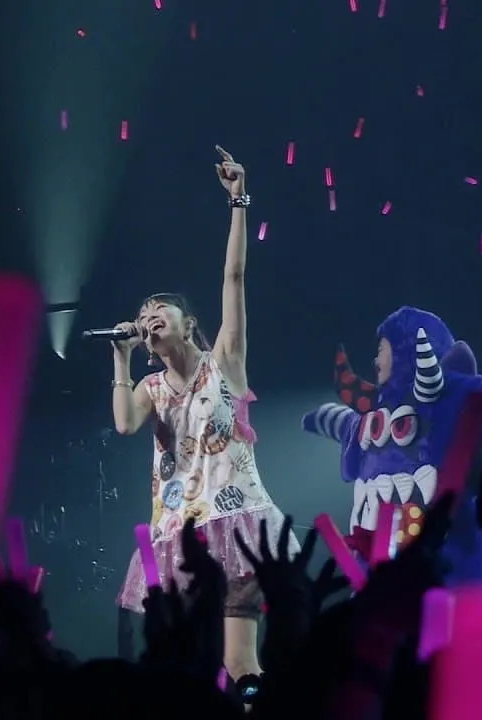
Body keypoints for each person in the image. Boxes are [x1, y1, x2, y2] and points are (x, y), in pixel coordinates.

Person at [108, 146, 295, 681]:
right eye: (142, 317)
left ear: (187, 323)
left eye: (157, 311)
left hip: (235, 523)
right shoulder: (148, 385)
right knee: (186, 666)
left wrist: (240, 201)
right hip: (177, 532)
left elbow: (234, 280)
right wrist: (120, 356)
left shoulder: (225, 363)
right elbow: (124, 423)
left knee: (238, 662)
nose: (147, 319)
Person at [300, 306, 482, 587]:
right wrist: (318, 418)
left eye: (382, 349)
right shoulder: (376, 414)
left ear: (404, 350)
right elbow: (346, 424)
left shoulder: (452, 394)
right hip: (380, 581)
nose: (376, 360)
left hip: (449, 576)